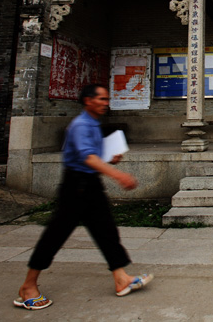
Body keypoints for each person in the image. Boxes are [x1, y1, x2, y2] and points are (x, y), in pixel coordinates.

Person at [14, 84, 152, 310]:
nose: (105, 103)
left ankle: (121, 279)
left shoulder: (93, 124)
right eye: (101, 99)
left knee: (106, 231)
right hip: (75, 187)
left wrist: (109, 160)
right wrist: (119, 175)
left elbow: (93, 157)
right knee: (55, 236)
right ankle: (28, 286)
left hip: (91, 185)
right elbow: (87, 158)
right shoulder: (80, 125)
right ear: (88, 100)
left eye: (107, 99)